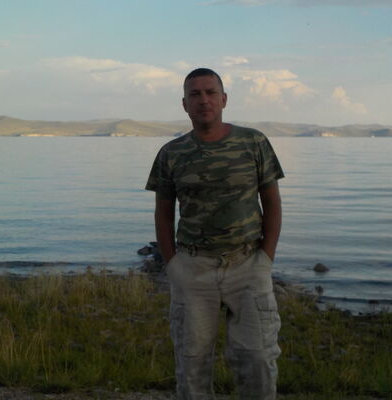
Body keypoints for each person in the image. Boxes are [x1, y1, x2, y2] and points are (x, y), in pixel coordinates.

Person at [146, 68, 284, 400]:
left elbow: (272, 202)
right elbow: (163, 212)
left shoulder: (253, 142)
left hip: (247, 264)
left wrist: (265, 258)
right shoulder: (171, 153)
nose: (203, 100)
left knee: (258, 359)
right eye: (195, 94)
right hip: (193, 268)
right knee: (191, 365)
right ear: (184, 104)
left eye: (210, 92)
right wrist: (173, 264)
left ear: (224, 99)